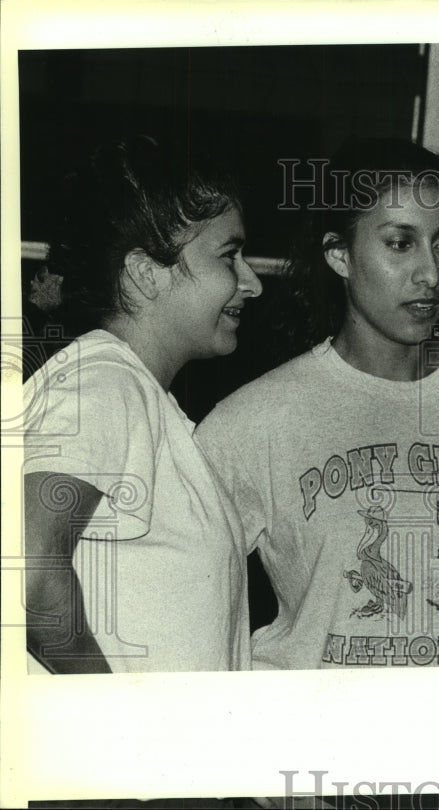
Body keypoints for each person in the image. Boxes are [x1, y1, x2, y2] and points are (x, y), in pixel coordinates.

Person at [195, 137, 439, 671]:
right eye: (400, 244)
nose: (430, 273)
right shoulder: (256, 420)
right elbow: (176, 594)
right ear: (340, 256)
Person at [23, 135, 262, 673]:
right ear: (146, 272)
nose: (251, 282)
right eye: (229, 255)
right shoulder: (104, 385)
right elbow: (27, 576)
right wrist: (115, 719)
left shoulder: (139, 399)